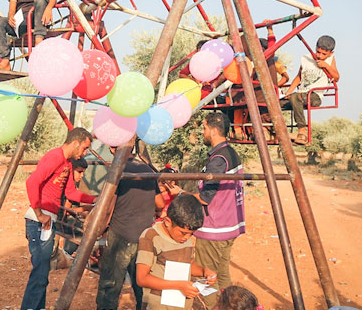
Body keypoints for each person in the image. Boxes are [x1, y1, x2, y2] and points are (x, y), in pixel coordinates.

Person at [21, 128, 96, 310]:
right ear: (76, 142)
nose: (85, 153)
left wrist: (96, 199)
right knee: (40, 273)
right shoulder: (55, 157)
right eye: (85, 148)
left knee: (43, 272)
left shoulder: (68, 164)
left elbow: (71, 192)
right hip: (40, 221)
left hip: (47, 221)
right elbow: (32, 182)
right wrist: (39, 214)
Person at [96, 139, 159, 310]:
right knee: (142, 286)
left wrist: (98, 231)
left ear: (111, 147)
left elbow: (108, 209)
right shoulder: (147, 169)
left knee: (110, 286)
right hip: (143, 237)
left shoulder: (116, 171)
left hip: (120, 236)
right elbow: (159, 203)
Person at [192, 112, 245, 309]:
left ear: (213, 130)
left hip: (213, 230)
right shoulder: (230, 153)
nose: (203, 133)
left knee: (206, 280)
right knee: (222, 277)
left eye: (204, 129)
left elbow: (206, 198)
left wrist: (180, 194)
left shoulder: (218, 159)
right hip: (229, 227)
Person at [135, 194, 217, 310]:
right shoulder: (151, 237)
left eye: (191, 234)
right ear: (168, 221)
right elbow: (142, 278)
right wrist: (179, 286)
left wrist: (204, 272)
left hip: (183, 305)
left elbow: (188, 264)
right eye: (183, 233)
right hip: (158, 306)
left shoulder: (185, 238)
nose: (187, 237)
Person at [283, 35, 339, 145]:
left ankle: (302, 132)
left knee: (296, 97)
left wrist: (326, 66)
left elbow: (336, 78)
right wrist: (288, 91)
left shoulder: (330, 60)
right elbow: (298, 77)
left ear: (331, 53)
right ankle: (273, 130)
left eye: (324, 54)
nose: (320, 56)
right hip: (301, 93)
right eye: (318, 52)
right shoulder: (306, 59)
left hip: (314, 95)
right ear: (315, 48)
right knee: (276, 102)